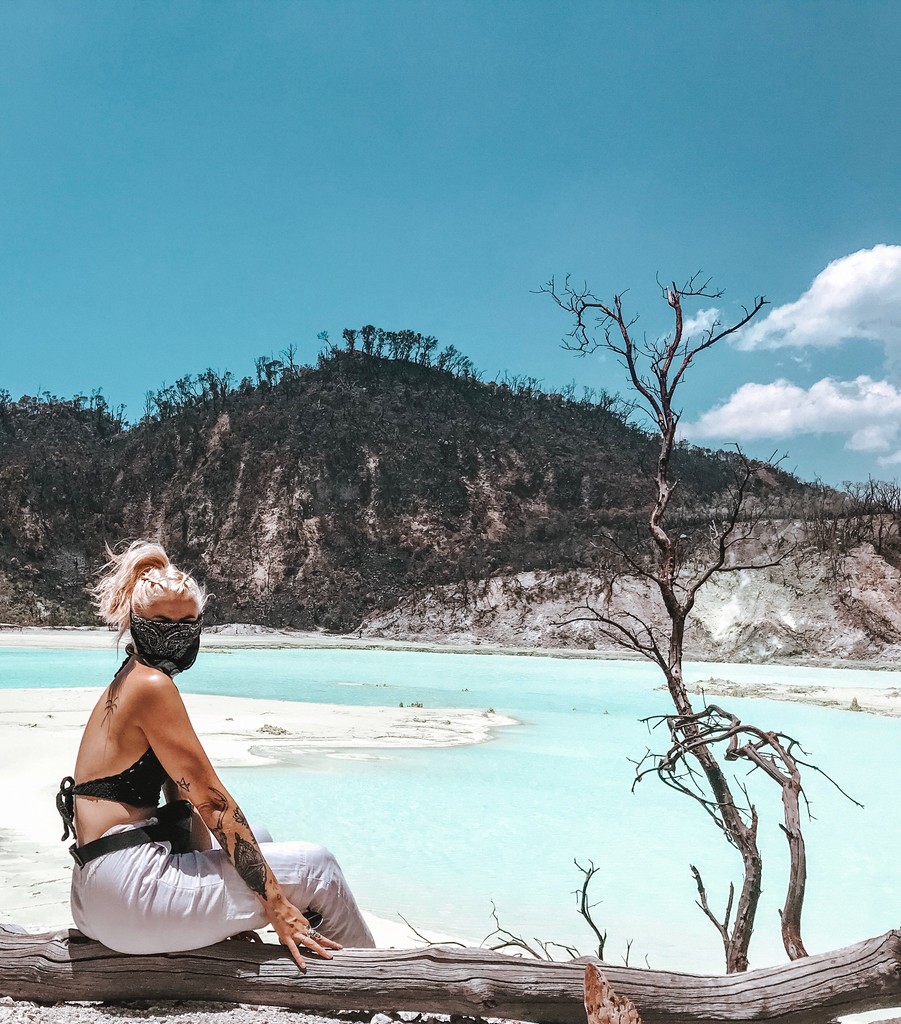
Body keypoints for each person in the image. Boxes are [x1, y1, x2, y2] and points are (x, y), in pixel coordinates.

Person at [56, 540, 374, 967]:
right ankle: (377, 987)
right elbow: (214, 803)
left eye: (186, 622)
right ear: (136, 621)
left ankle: (295, 954)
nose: (174, 633)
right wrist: (276, 906)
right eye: (161, 622)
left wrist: (228, 882)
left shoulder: (131, 678)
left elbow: (184, 803)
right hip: (126, 894)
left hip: (100, 892)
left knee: (257, 839)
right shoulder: (152, 687)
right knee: (319, 868)